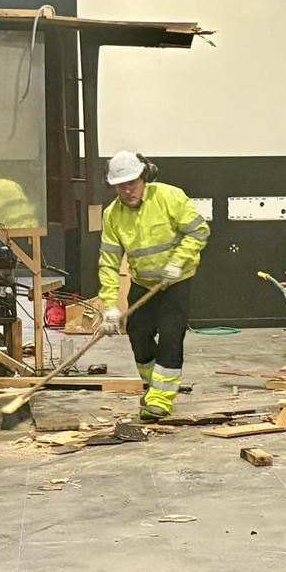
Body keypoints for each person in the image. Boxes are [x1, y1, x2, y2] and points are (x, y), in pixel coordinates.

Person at [96, 150, 209, 420]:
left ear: (144, 177)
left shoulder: (170, 197)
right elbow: (109, 263)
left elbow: (199, 231)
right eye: (120, 186)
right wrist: (109, 307)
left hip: (175, 281)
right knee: (138, 334)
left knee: (171, 335)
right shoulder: (113, 215)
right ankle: (154, 385)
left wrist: (178, 262)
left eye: (132, 183)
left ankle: (161, 398)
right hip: (143, 282)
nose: (127, 190)